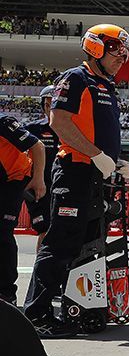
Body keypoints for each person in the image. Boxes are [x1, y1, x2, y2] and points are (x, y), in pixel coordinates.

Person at [24, 24, 129, 338]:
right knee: (60, 245)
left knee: (86, 244)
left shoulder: (106, 85)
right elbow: (59, 122)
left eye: (125, 52)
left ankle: (80, 309)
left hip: (94, 176)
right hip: (74, 172)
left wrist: (116, 161)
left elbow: (97, 131)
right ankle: (36, 315)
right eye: (116, 50)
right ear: (96, 47)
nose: (122, 57)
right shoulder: (77, 78)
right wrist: (97, 154)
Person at [0, 116, 46, 305]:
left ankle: (6, 292)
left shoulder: (4, 123)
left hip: (13, 182)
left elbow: (38, 146)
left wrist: (38, 179)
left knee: (2, 234)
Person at [21, 85, 60, 251]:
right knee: (45, 229)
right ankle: (41, 273)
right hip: (39, 190)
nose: (51, 106)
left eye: (55, 102)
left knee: (64, 230)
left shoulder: (73, 130)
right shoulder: (32, 129)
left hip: (64, 188)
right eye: (48, 102)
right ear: (43, 105)